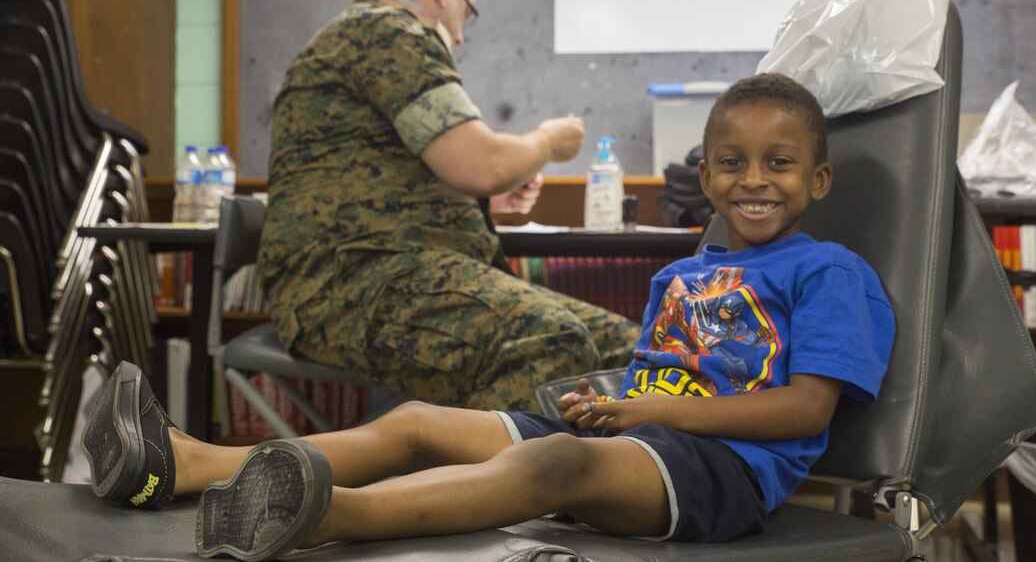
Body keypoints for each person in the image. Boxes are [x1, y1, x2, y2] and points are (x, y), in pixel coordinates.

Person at [81, 73, 895, 561]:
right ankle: (182, 464)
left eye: (780, 164)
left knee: (556, 467)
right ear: (706, 177)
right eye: (732, 163)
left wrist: (648, 409)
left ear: (818, 180)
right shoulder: (684, 273)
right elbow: (657, 376)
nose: (755, 180)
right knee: (417, 422)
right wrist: (619, 401)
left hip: (723, 472)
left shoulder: (829, 271)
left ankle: (322, 512)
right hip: (636, 434)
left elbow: (806, 409)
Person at [255, 0, 637, 411]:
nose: (459, 36)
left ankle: (599, 481)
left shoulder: (370, 38)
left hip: (385, 265)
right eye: (466, 15)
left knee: (634, 355)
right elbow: (481, 164)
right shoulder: (389, 31)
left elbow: (391, 179)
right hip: (343, 283)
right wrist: (547, 142)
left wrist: (488, 201)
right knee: (548, 340)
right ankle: (468, 484)